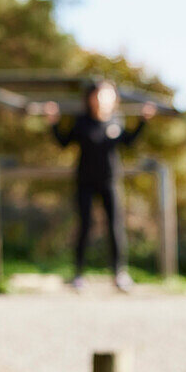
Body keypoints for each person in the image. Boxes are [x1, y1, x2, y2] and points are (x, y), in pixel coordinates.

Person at [43, 81, 156, 293]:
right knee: (84, 226)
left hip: (109, 181)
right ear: (90, 98)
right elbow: (63, 142)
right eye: (98, 95)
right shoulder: (82, 122)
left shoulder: (116, 121)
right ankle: (78, 274)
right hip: (85, 181)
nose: (102, 99)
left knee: (115, 227)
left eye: (107, 95)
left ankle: (119, 273)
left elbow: (129, 142)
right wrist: (53, 122)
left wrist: (143, 121)